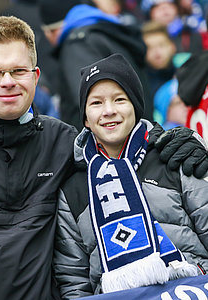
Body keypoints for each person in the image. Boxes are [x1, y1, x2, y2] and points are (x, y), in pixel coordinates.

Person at [0, 15, 207, 300]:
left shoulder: (62, 142)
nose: (8, 81)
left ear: (36, 76)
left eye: (19, 71)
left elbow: (119, 148)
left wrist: (172, 141)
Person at [53, 54, 208, 298]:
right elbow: (73, 280)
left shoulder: (176, 157)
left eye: (119, 99)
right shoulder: (73, 189)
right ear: (85, 118)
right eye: (96, 103)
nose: (109, 111)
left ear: (135, 106)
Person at [38, 0, 153, 131]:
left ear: (51, 31)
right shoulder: (106, 31)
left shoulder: (78, 44)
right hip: (136, 133)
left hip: (110, 142)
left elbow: (90, 100)